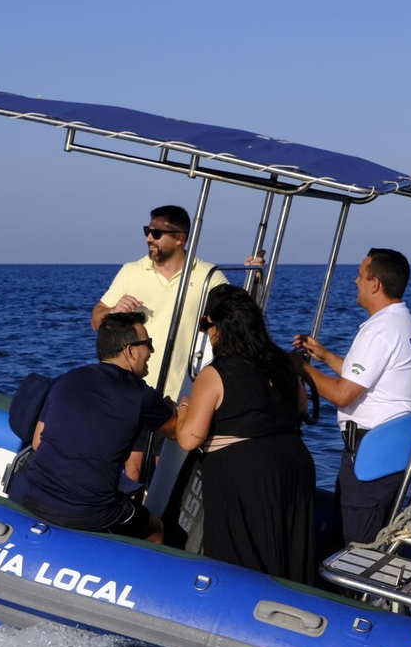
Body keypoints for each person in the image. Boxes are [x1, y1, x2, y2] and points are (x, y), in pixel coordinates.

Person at [174, 284, 316, 583]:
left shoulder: (215, 374)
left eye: (205, 325)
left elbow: (188, 439)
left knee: (243, 563)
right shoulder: (282, 361)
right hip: (294, 463)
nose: (206, 334)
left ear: (217, 327)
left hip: (247, 474)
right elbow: (302, 406)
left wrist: (184, 408)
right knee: (289, 557)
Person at [293, 248, 411, 548]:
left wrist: (299, 367)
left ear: (375, 284)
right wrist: (325, 356)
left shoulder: (380, 331)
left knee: (356, 549)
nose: (355, 281)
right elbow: (367, 379)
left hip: (370, 464)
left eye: (360, 274)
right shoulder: (405, 322)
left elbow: (342, 394)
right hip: (389, 458)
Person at [22, 312, 180, 543]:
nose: (151, 351)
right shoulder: (141, 395)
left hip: (35, 496)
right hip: (90, 513)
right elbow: (178, 433)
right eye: (148, 344)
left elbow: (38, 441)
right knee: (154, 525)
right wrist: (183, 405)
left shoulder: (66, 379)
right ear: (130, 350)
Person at [90, 205, 216, 401]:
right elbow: (96, 321)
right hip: (132, 391)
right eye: (147, 231)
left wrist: (256, 276)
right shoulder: (130, 272)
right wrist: (113, 311)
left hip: (186, 394)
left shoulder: (209, 275)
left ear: (179, 238)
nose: (148, 238)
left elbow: (238, 316)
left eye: (156, 233)